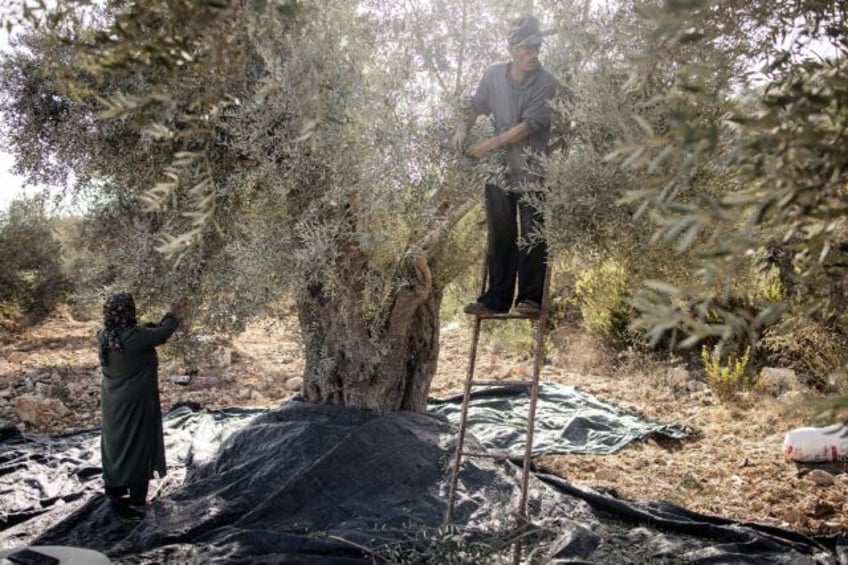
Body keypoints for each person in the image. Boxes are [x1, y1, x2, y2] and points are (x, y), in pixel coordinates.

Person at [451, 15, 557, 317]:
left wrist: (488, 145)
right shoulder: (493, 75)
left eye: (537, 47)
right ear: (511, 48)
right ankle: (495, 299)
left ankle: (530, 300)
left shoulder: (546, 82)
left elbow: (527, 127)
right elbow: (475, 105)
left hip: (532, 172)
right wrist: (462, 128)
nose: (533, 53)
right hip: (499, 172)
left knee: (533, 233)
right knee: (500, 234)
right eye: (527, 47)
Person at [96, 292, 184, 517]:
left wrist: (152, 324)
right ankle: (137, 498)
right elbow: (164, 333)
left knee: (115, 442)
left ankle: (114, 489)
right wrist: (172, 313)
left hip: (112, 401)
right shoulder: (136, 337)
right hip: (136, 401)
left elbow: (147, 333)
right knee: (138, 442)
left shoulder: (104, 336)